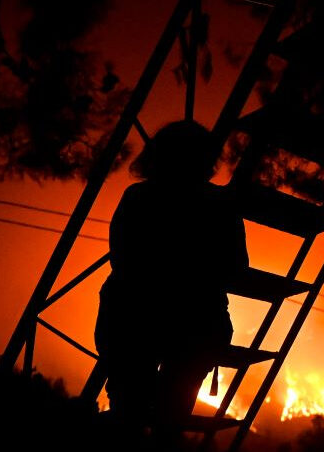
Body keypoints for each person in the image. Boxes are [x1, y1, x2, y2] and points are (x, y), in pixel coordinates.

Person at [94, 120, 248, 433]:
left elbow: (122, 260)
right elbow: (236, 269)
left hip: (132, 322)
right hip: (198, 328)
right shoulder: (221, 206)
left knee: (129, 410)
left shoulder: (137, 197)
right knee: (170, 413)